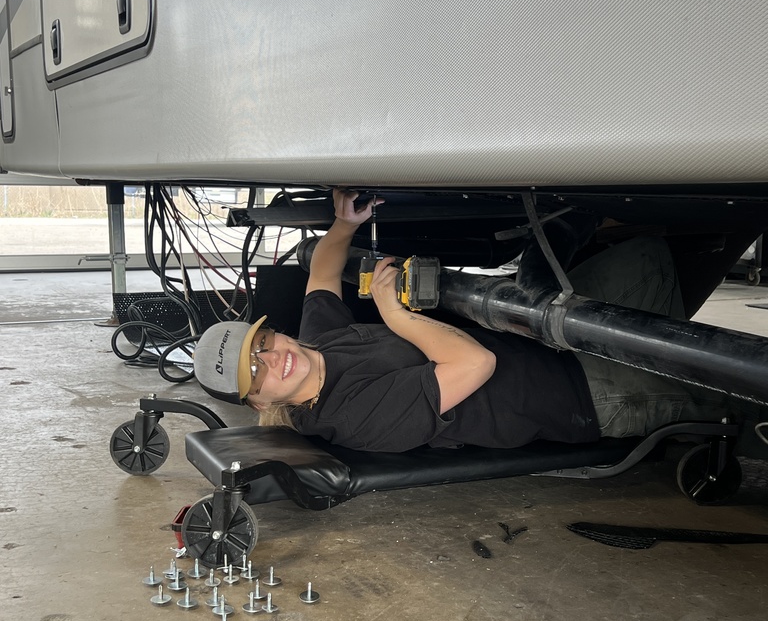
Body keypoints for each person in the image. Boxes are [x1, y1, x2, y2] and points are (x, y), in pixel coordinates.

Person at [193, 189, 756, 453]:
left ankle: (660, 339)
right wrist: (395, 312)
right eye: (258, 372)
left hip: (541, 340)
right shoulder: (354, 417)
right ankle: (669, 361)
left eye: (263, 342)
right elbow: (475, 362)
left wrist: (343, 224)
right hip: (583, 396)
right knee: (745, 392)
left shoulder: (317, 341)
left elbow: (320, 274)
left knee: (645, 259)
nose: (273, 358)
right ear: (263, 402)